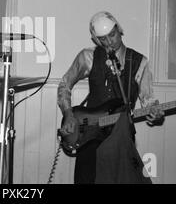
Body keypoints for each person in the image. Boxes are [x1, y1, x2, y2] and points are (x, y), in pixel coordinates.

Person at [57, 11, 164, 184]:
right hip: (90, 135)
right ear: (95, 39)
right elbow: (64, 84)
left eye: (112, 35)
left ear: (119, 30)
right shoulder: (88, 56)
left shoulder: (139, 62)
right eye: (103, 39)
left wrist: (155, 112)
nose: (109, 42)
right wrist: (68, 113)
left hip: (121, 135)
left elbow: (149, 100)